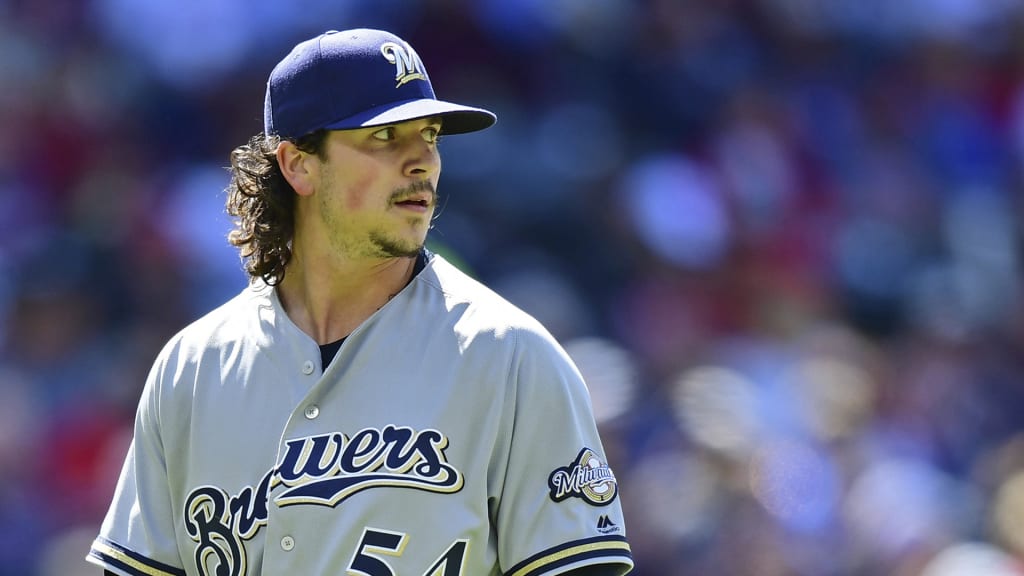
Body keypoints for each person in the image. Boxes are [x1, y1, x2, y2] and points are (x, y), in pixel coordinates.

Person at [86, 28, 633, 576]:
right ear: (298, 164)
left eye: (432, 135)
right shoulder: (193, 368)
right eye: (386, 136)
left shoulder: (511, 359)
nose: (423, 162)